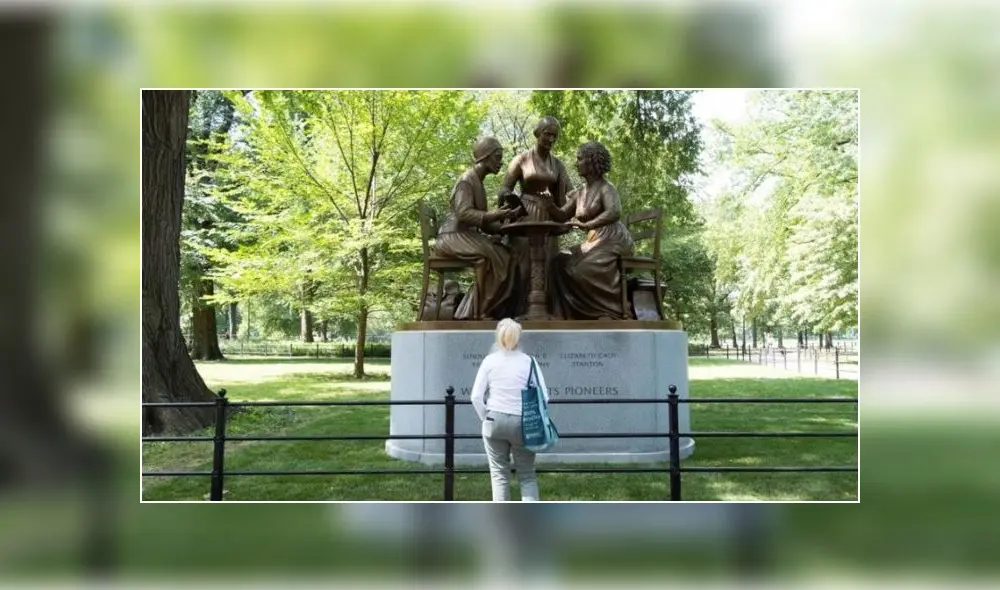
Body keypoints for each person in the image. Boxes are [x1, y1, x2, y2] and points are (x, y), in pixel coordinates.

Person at [545, 141, 635, 319]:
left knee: (582, 269)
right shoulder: (580, 192)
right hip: (593, 240)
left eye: (579, 159)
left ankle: (612, 309)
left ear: (592, 162)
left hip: (612, 238)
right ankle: (570, 313)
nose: (575, 163)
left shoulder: (606, 188)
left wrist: (589, 224)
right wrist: (549, 205)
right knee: (558, 262)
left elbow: (614, 211)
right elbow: (562, 214)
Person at [435, 137, 522, 320]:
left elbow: (485, 223)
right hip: (452, 236)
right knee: (494, 255)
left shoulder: (478, 182)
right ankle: (480, 310)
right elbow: (464, 213)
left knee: (507, 253)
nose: (500, 162)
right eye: (497, 157)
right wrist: (496, 215)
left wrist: (507, 224)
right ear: (485, 156)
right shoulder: (467, 180)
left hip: (465, 234)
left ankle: (480, 308)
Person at [498, 116, 572, 316]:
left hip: (547, 217)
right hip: (525, 215)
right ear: (538, 134)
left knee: (548, 264)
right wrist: (508, 199)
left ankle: (544, 312)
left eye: (554, 136)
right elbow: (505, 187)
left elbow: (570, 194)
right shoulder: (521, 159)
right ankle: (516, 312)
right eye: (547, 134)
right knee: (523, 266)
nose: (550, 139)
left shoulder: (557, 165)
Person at [470, 318, 549, 501]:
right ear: (518, 336)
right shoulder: (529, 362)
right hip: (522, 422)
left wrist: (486, 417)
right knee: (527, 475)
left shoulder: (489, 361)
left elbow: (475, 396)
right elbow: (544, 397)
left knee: (499, 476)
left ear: (498, 335)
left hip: (493, 420)